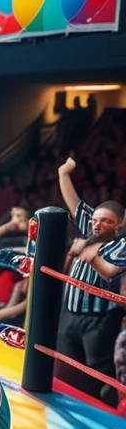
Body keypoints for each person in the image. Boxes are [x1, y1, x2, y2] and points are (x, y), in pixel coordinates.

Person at [56, 156, 126, 406]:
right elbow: (74, 203)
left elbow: (110, 272)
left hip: (99, 319)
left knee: (98, 372)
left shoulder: (122, 244)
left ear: (119, 224)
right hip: (70, 313)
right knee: (67, 365)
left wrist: (89, 254)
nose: (97, 225)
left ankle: (105, 410)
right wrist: (64, 173)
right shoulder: (92, 228)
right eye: (95, 220)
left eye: (106, 221)